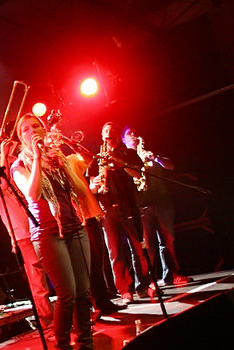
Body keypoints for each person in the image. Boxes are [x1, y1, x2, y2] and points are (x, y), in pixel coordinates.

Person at [11, 114, 110, 350]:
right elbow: (32, 194)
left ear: (44, 130)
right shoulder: (20, 164)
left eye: (36, 126)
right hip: (47, 233)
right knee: (67, 294)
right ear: (21, 137)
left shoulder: (58, 158)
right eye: (26, 129)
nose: (33, 130)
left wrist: (64, 165)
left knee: (84, 293)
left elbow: (81, 191)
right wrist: (37, 158)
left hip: (75, 226)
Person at [0, 143, 54, 327]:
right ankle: (48, 321)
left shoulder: (8, 172)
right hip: (22, 234)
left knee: (56, 270)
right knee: (37, 280)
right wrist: (3, 155)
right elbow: (2, 185)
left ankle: (66, 315)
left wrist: (11, 157)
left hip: (39, 226)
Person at [54, 131, 125, 316]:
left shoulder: (70, 159)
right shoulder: (49, 168)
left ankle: (102, 301)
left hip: (89, 214)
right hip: (74, 219)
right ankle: (97, 304)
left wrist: (68, 142)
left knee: (97, 261)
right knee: (88, 264)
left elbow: (89, 159)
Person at [88, 122, 154, 302]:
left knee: (138, 249)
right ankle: (124, 290)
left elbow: (138, 174)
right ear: (101, 136)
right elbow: (91, 187)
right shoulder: (96, 158)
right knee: (115, 253)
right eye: (105, 131)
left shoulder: (128, 153)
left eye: (111, 131)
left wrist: (120, 163)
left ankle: (143, 285)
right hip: (107, 208)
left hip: (128, 205)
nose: (108, 134)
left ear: (117, 136)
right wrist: (95, 182)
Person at [122, 127, 190, 287]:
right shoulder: (124, 158)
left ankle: (172, 275)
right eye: (130, 134)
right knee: (147, 247)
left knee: (168, 241)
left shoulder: (150, 152)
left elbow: (171, 166)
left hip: (161, 202)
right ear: (124, 140)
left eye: (135, 132)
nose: (134, 135)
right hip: (140, 206)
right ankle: (150, 281)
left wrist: (156, 158)